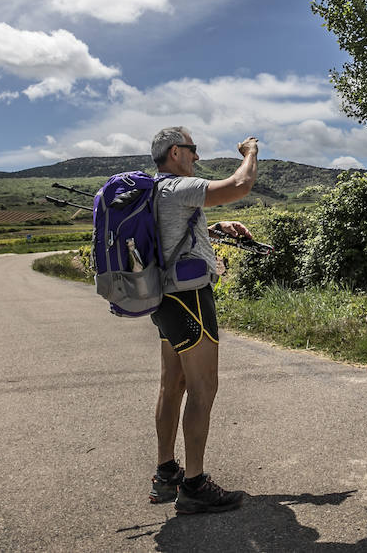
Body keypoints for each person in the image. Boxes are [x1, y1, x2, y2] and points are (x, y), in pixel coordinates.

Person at [146, 126, 259, 514]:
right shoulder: (178, 187)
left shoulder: (153, 191)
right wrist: (250, 152)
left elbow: (172, 231)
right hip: (190, 297)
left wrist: (215, 228)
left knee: (172, 384)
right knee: (203, 387)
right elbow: (240, 185)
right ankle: (194, 484)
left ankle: (166, 474)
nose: (196, 157)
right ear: (176, 152)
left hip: (164, 299)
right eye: (193, 151)